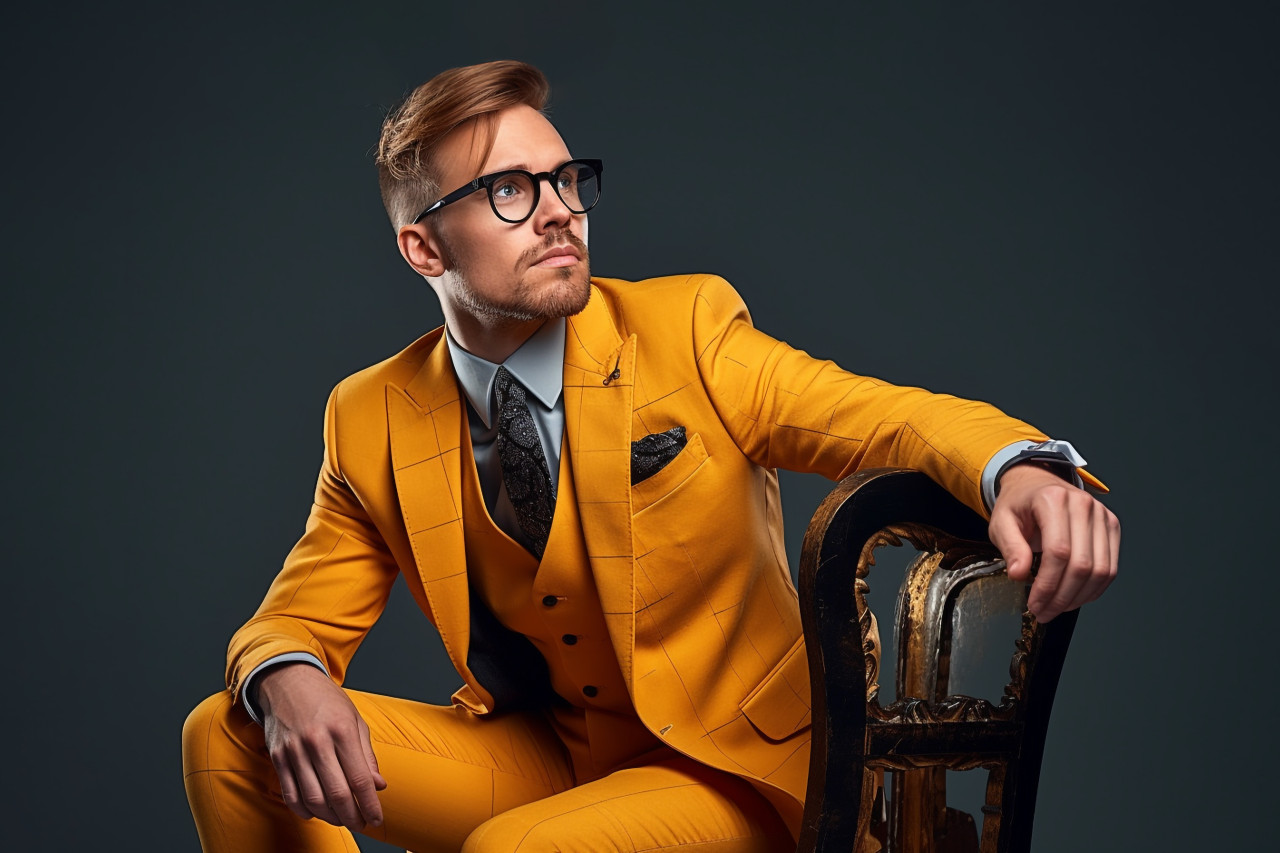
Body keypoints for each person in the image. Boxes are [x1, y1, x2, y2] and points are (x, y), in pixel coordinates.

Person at [181, 60, 1119, 853]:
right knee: (227, 733)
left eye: (565, 179)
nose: (559, 213)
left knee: (516, 851)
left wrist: (1019, 463)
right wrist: (285, 672)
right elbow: (295, 616)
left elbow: (881, 417)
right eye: (509, 190)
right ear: (423, 247)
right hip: (546, 752)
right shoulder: (370, 412)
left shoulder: (688, 327)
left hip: (732, 769)